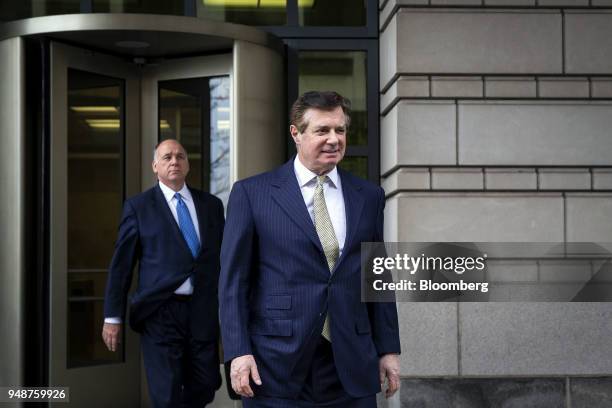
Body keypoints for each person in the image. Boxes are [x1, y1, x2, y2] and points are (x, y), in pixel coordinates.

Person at [219, 91, 401, 407]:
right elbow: (233, 282)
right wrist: (237, 351)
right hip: (275, 363)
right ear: (296, 134)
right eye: (322, 130)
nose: (334, 139)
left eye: (340, 130)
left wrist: (388, 349)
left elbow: (377, 277)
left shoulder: (368, 196)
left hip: (350, 360)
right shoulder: (252, 194)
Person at [102, 139, 224, 407]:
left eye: (180, 156)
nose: (174, 161)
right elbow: (121, 266)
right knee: (166, 392)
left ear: (188, 165)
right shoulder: (139, 207)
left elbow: (222, 260)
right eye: (167, 157)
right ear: (155, 166)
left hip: (202, 310)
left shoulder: (211, 205)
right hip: (160, 311)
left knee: (205, 385)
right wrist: (112, 316)